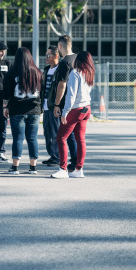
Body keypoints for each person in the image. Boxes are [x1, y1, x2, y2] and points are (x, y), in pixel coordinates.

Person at [52, 51, 95, 179]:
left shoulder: (75, 73)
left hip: (76, 109)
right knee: (80, 139)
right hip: (86, 108)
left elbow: (71, 95)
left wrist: (65, 112)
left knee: (61, 138)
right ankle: (78, 169)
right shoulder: (89, 73)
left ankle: (63, 169)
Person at [2, 47, 42, 174]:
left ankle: (15, 167)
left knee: (18, 138)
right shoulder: (38, 72)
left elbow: (6, 93)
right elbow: (43, 92)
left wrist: (5, 107)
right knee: (32, 138)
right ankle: (33, 167)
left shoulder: (12, 72)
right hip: (34, 109)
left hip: (17, 110)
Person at [48, 35, 77, 171]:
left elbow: (61, 85)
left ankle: (71, 162)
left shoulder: (65, 62)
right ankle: (77, 161)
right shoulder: (78, 59)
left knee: (66, 134)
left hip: (67, 102)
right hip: (79, 101)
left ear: (60, 46)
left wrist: (57, 104)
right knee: (77, 135)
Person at [40, 46, 61, 166]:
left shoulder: (60, 70)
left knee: (55, 133)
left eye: (48, 55)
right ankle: (52, 155)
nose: (46, 58)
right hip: (46, 106)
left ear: (56, 56)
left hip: (54, 107)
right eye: (46, 55)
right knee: (47, 133)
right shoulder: (47, 69)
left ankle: (57, 157)